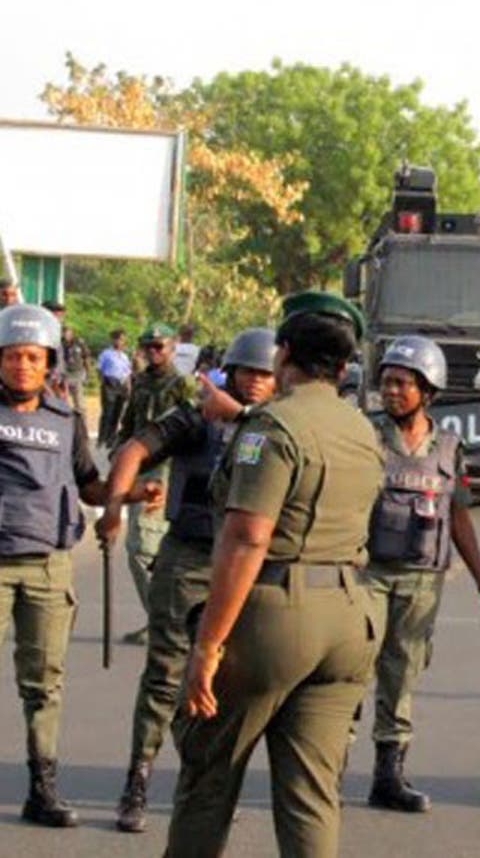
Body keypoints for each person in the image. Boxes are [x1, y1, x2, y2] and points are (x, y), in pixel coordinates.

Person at [166, 292, 384, 857]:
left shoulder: (272, 428)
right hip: (350, 617)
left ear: (284, 354)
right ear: (342, 368)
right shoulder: (362, 429)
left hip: (275, 617)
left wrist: (208, 647)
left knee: (207, 775)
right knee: (310, 793)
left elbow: (248, 536)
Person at [96, 328, 277, 833]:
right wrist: (115, 505)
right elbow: (133, 451)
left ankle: (206, 785)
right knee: (164, 676)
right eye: (248, 372)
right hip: (189, 558)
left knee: (226, 681)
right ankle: (138, 780)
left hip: (242, 569)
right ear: (232, 372)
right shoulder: (199, 418)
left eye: (266, 374)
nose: (257, 382)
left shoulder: (276, 428)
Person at [0, 304, 160, 828]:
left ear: (49, 363)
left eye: (32, 357)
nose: (22, 366)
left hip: (49, 566)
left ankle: (41, 789)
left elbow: (89, 484)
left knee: (43, 683)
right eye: (12, 356)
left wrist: (129, 495)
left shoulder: (66, 420)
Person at [364, 336, 480, 812]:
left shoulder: (449, 448)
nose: (391, 391)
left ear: (428, 390)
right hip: (366, 572)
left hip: (422, 579)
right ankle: (326, 768)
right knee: (350, 670)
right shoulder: (365, 434)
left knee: (402, 674)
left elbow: (458, 516)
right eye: (387, 382)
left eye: (403, 383)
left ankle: (388, 775)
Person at [115, 323, 195, 644]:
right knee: (148, 551)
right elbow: (131, 421)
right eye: (147, 347)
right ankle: (159, 620)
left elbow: (193, 428)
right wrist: (120, 451)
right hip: (140, 467)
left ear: (172, 348)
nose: (153, 352)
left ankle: (163, 623)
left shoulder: (183, 385)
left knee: (141, 549)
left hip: (165, 471)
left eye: (159, 347)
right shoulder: (140, 381)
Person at [97, 328, 132, 448]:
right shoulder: (106, 353)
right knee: (108, 412)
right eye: (118, 339)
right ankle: (102, 438)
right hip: (109, 383)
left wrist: (128, 388)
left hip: (121, 386)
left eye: (122, 340)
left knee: (117, 413)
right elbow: (100, 369)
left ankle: (111, 439)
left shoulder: (125, 356)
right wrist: (103, 383)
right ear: (113, 340)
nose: (120, 342)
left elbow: (127, 374)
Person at [59, 326, 91, 415]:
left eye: (68, 333)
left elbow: (86, 357)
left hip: (77, 373)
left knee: (79, 401)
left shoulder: (79, 342)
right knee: (63, 400)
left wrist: (88, 373)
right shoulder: (59, 343)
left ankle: (81, 420)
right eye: (64, 333)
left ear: (72, 333)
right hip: (64, 375)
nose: (66, 335)